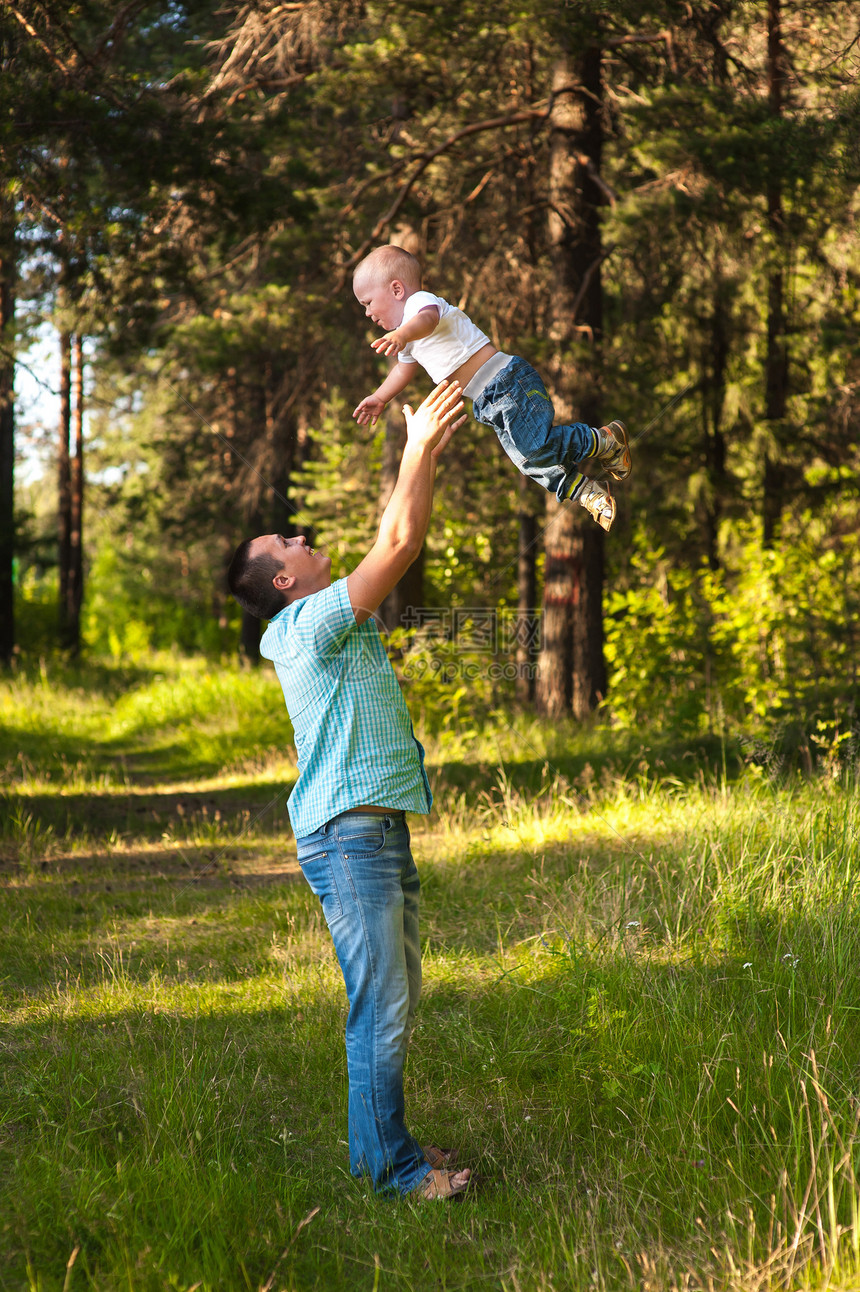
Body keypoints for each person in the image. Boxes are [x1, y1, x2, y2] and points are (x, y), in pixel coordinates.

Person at [227, 379, 471, 1202]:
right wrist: (419, 442)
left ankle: (386, 1146)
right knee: (381, 1009)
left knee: (394, 1002)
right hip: (348, 835)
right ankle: (396, 1176)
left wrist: (423, 449)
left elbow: (401, 534)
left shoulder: (323, 617)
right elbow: (396, 545)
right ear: (285, 581)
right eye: (286, 542)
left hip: (371, 831)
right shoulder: (302, 627)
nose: (300, 535)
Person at [352, 244, 632, 532]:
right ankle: (588, 492)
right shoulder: (407, 338)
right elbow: (403, 369)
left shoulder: (419, 304)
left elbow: (428, 320)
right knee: (529, 460)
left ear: (397, 289)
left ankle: (602, 441)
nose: (367, 313)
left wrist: (401, 334)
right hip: (489, 402)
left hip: (507, 382)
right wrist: (380, 397)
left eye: (368, 302)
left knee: (535, 446)